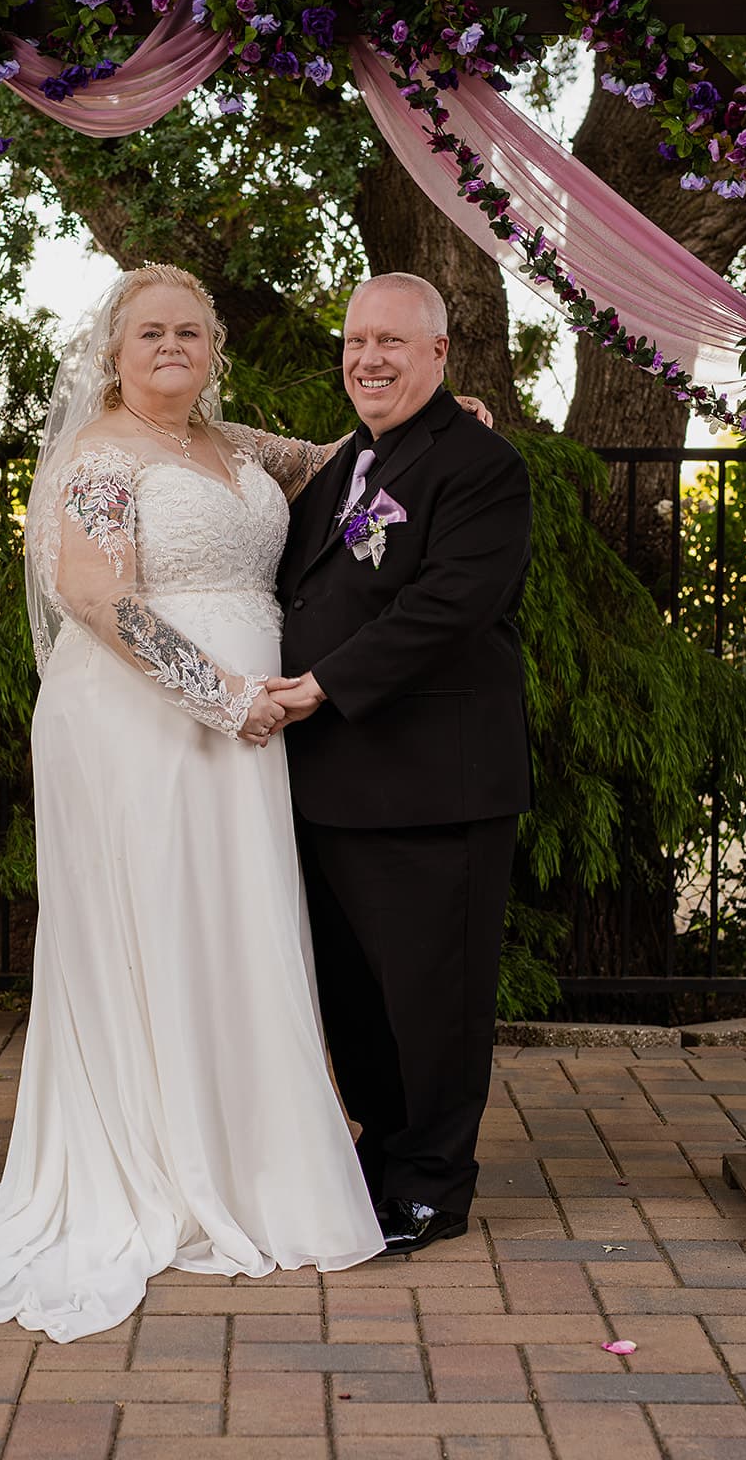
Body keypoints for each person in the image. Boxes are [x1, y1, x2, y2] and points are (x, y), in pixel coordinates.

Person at [0, 264, 489, 1341]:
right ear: (112, 352)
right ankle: (160, 1164)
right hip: (145, 722)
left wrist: (448, 416)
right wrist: (222, 696)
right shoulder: (100, 456)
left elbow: (343, 459)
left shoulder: (234, 445)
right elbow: (93, 595)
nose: (172, 347)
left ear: (214, 350)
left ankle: (245, 1158)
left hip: (252, 731)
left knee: (233, 928)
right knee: (159, 924)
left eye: (191, 332)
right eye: (150, 332)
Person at [270, 272, 532, 1255]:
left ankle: (431, 1184)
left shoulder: (479, 466)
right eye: (354, 341)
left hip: (431, 784)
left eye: (390, 341)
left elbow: (446, 606)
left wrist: (320, 684)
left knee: (433, 998)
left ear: (437, 353)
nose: (367, 358)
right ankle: (380, 1156)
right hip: (330, 780)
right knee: (357, 999)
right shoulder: (344, 464)